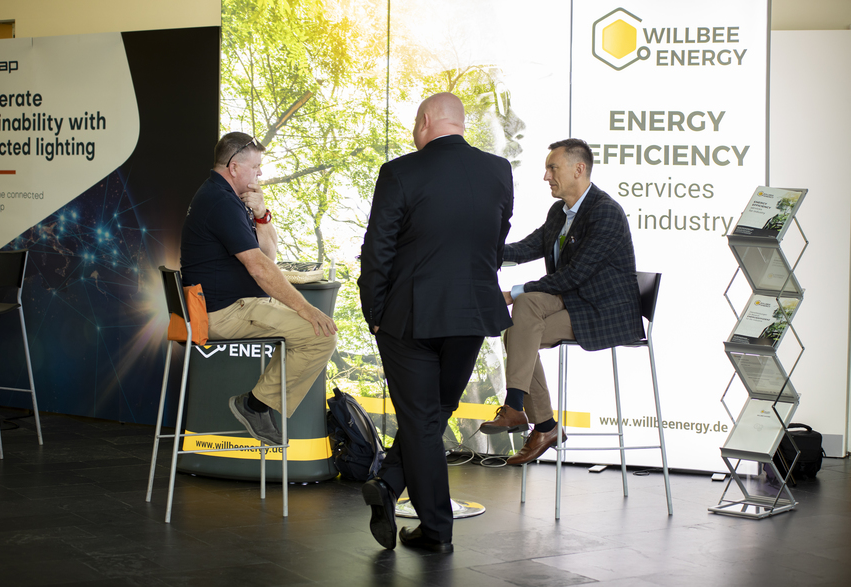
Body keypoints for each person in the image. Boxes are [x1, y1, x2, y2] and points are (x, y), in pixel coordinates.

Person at [358, 93, 514, 553]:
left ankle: (436, 530)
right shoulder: (498, 171)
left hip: (410, 316)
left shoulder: (400, 172)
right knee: (433, 413)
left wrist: (375, 314)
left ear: (425, 121)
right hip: (472, 313)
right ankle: (388, 484)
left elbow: (377, 249)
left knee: (422, 419)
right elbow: (497, 238)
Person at [479, 138, 644, 465]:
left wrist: (512, 293)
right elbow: (527, 248)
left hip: (603, 309)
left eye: (552, 168)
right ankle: (534, 419)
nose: (546, 176)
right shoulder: (560, 212)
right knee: (522, 320)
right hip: (572, 300)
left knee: (520, 318)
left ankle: (536, 421)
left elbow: (575, 274)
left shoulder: (605, 212)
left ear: (578, 169)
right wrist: (480, 250)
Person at [180, 132, 338, 445]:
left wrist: (261, 214)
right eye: (255, 167)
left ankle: (257, 405)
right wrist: (305, 308)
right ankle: (254, 406)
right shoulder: (220, 202)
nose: (260, 173)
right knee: (321, 334)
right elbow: (260, 267)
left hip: (232, 306)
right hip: (224, 313)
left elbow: (268, 255)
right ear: (234, 167)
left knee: (313, 329)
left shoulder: (224, 196)